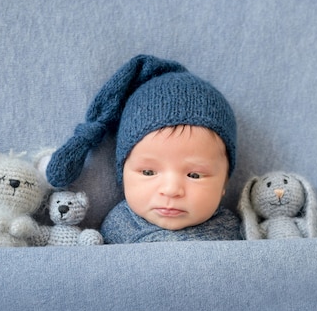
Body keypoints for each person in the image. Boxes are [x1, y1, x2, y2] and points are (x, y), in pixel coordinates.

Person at [45, 54, 241, 243]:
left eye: (195, 175)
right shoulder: (120, 226)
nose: (171, 190)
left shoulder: (233, 232)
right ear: (122, 174)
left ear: (224, 183)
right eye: (148, 172)